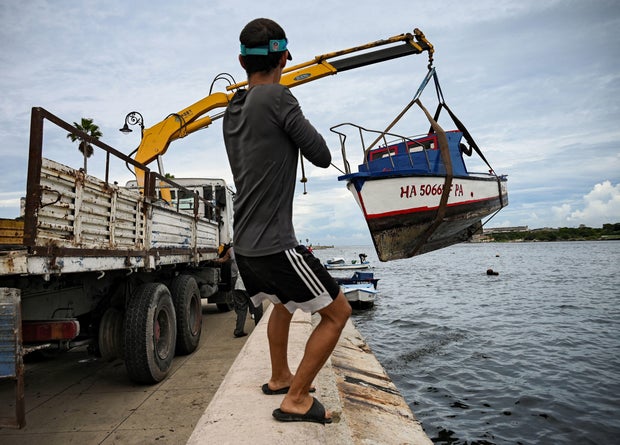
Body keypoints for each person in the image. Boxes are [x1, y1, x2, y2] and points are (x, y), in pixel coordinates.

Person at [222, 18, 351, 425]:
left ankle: (280, 376)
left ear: (242, 61)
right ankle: (296, 399)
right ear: (282, 58)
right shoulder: (280, 98)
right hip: (275, 243)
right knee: (338, 313)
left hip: (244, 245)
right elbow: (321, 154)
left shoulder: (232, 109)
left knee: (282, 303)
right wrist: (289, 105)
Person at [216, 243, 263, 337]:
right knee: (257, 304)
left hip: (236, 281)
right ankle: (259, 328)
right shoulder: (252, 248)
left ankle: (239, 331)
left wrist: (215, 260)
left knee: (241, 307)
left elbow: (223, 259)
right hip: (247, 279)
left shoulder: (231, 250)